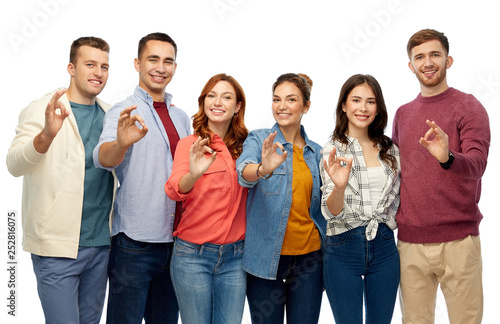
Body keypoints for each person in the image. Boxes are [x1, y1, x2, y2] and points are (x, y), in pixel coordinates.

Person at [6, 36, 114, 324]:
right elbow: (14, 165)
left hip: (101, 246)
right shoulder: (43, 108)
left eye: (104, 66)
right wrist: (46, 136)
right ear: (71, 68)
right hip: (57, 248)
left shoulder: (110, 115)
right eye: (89, 64)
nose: (98, 73)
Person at [392, 29, 490, 324]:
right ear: (411, 66)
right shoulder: (402, 114)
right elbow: (396, 174)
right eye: (419, 57)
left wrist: (447, 157)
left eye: (435, 54)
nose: (428, 62)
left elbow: (477, 164)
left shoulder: (469, 106)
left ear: (448, 60)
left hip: (459, 242)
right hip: (410, 243)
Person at [93, 32, 190, 324]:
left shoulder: (181, 117)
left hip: (175, 245)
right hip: (134, 245)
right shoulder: (124, 111)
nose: (161, 67)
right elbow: (102, 158)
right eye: (153, 59)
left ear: (175, 67)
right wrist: (121, 142)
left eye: (168, 61)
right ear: (137, 63)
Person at [236, 73, 326, 324]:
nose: (282, 106)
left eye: (291, 99)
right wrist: (263, 169)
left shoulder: (316, 152)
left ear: (306, 106)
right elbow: (244, 172)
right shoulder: (259, 139)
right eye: (276, 99)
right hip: (265, 258)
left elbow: (324, 207)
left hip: (309, 259)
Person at [165, 73, 248, 324]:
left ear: (238, 106)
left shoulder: (247, 146)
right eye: (211, 96)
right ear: (203, 102)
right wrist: (193, 174)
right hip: (192, 256)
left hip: (235, 258)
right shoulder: (190, 144)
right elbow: (173, 188)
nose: (217, 102)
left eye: (226, 97)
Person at [320, 74, 400, 324]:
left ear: (378, 108)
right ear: (344, 105)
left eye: (371, 101)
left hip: (385, 245)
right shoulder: (332, 149)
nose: (363, 108)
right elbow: (331, 212)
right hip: (344, 247)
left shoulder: (390, 149)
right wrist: (340, 187)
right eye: (356, 100)